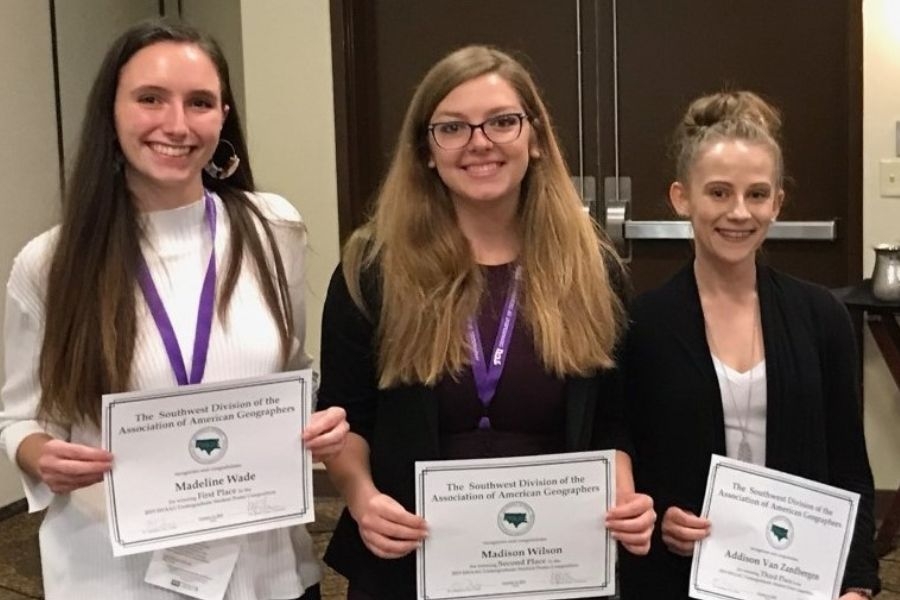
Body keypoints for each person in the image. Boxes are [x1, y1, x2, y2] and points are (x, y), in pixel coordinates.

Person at [0, 19, 348, 600]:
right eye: (151, 99)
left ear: (224, 117)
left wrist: (316, 421)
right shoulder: (52, 262)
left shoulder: (273, 231)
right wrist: (41, 457)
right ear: (111, 113)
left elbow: (290, 371)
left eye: (200, 102)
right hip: (114, 574)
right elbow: (19, 418)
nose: (177, 124)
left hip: (267, 569)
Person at [316, 45, 656, 599]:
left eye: (502, 121)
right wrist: (361, 498)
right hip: (411, 559)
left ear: (536, 137)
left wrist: (623, 494)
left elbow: (612, 420)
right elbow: (346, 414)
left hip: (554, 564)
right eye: (452, 127)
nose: (479, 142)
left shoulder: (591, 268)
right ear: (426, 150)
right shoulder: (372, 269)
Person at [618, 91, 880, 599]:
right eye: (718, 192)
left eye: (757, 195)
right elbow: (632, 464)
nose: (739, 213)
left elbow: (850, 465)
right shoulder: (642, 324)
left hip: (797, 580)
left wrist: (859, 583)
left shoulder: (821, 317)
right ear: (681, 198)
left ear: (777, 203)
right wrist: (664, 514)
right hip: (682, 580)